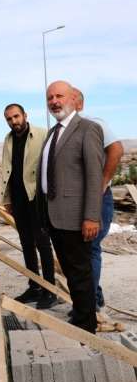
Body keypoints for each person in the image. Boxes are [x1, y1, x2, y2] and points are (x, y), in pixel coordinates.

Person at [37, 80, 104, 333]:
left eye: (59, 96)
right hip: (54, 215)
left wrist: (91, 217)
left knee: (81, 273)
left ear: (73, 98)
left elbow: (94, 176)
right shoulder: (53, 132)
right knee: (70, 271)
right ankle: (79, 315)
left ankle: (87, 327)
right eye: (50, 98)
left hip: (76, 217)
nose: (54, 101)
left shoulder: (87, 128)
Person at [1, 103, 56, 309]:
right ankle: (34, 287)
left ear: (25, 115)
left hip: (37, 198)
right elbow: (7, 170)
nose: (14, 122)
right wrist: (7, 199)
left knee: (42, 242)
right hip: (18, 199)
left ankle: (50, 290)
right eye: (9, 119)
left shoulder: (42, 134)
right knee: (26, 244)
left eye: (16, 116)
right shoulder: (8, 139)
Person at [73, 88, 124, 311]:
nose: (58, 102)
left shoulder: (94, 124)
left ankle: (89, 304)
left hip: (97, 197)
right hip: (75, 200)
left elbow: (116, 149)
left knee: (91, 247)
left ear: (80, 104)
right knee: (80, 250)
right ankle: (94, 294)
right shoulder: (64, 131)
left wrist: (102, 182)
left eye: (68, 98)